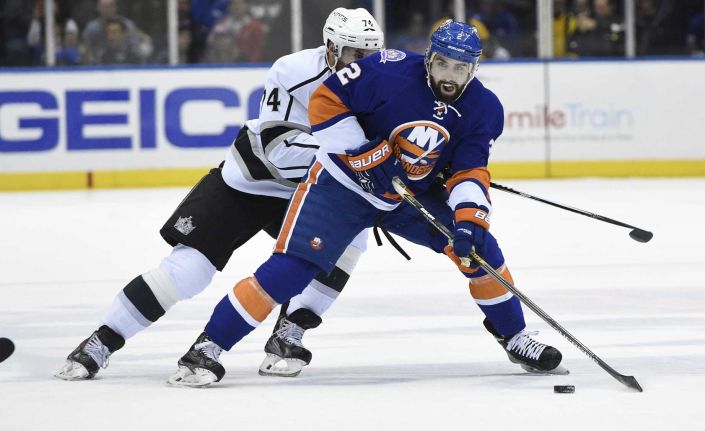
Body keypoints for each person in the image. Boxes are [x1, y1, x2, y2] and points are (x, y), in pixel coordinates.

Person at [168, 20, 566, 388]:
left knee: (480, 251)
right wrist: (365, 154)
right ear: (430, 58)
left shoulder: (484, 108)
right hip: (340, 186)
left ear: (474, 69)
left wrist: (468, 218)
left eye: (460, 68)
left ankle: (515, 337)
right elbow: (326, 101)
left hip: (407, 195)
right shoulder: (387, 70)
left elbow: (469, 170)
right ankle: (206, 349)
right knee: (291, 270)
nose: (449, 75)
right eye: (443, 64)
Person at [54, 7, 385, 381]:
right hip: (248, 181)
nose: (366, 63)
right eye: (357, 53)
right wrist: (364, 160)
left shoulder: (382, 82)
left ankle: (290, 330)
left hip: (310, 190)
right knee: (187, 272)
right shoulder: (292, 71)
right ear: (330, 47)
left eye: (372, 54)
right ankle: (102, 341)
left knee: (351, 239)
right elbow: (278, 149)